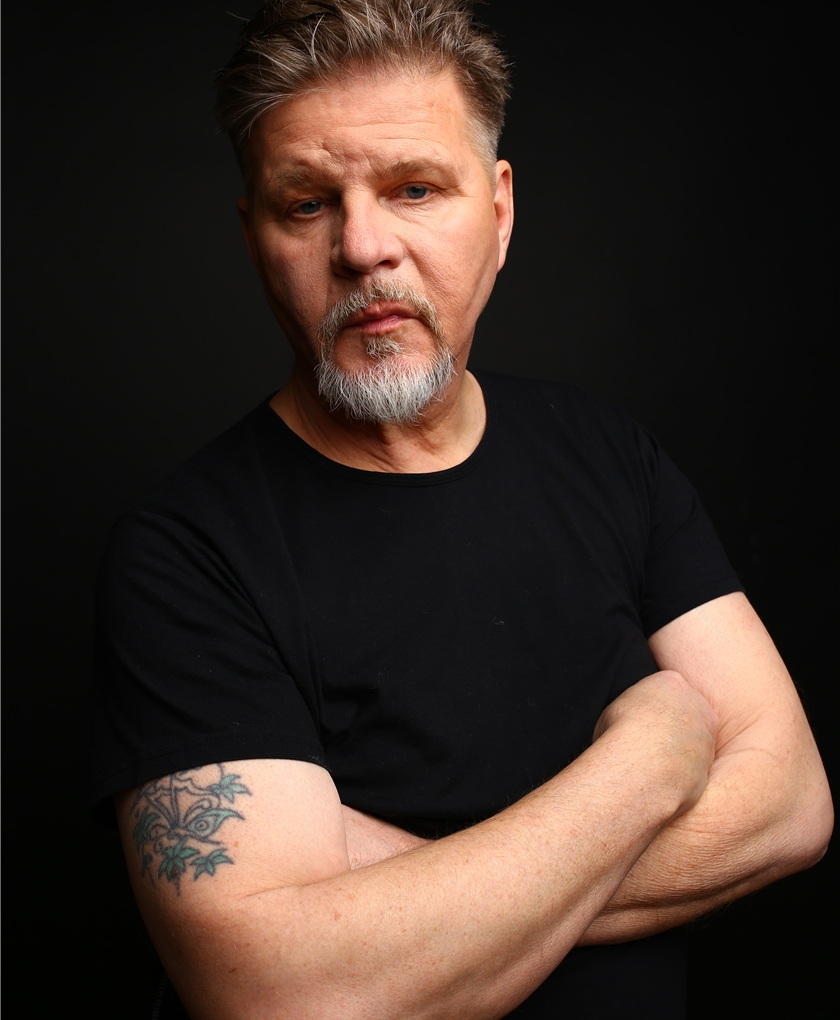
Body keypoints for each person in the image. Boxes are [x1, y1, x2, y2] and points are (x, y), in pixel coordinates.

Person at [89, 2, 832, 1017]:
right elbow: (278, 994)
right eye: (306, 203)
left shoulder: (607, 454)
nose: (364, 247)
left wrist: (400, 905)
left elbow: (791, 803)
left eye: (415, 188)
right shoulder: (182, 558)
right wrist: (654, 754)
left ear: (500, 210)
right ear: (254, 236)